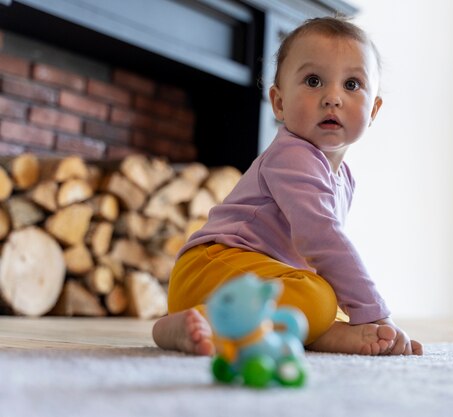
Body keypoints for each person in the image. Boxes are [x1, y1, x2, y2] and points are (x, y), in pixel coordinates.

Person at [152, 16, 423, 357]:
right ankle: (195, 322)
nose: (332, 98)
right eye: (314, 81)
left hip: (258, 280)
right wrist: (377, 312)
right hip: (211, 269)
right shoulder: (293, 156)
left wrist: (355, 316)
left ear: (374, 111)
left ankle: (322, 335)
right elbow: (322, 239)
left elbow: (319, 261)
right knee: (320, 297)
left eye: (352, 85)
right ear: (279, 103)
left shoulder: (344, 178)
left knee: (328, 297)